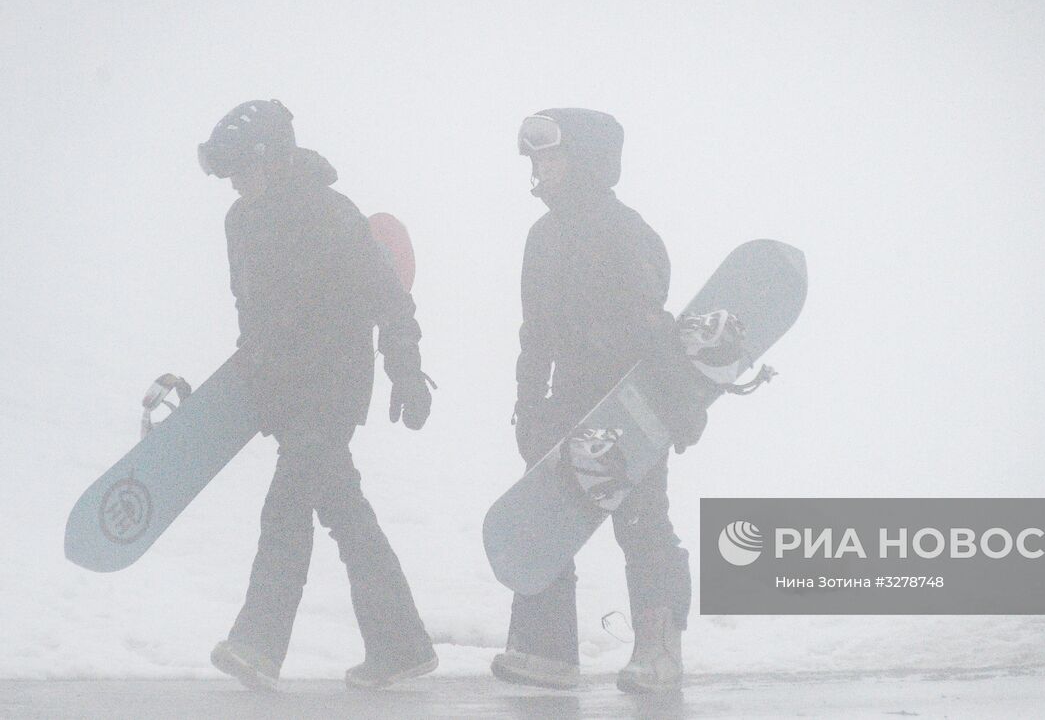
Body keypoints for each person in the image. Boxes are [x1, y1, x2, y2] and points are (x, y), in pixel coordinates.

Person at [196, 99, 437, 691]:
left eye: (244, 168)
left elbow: (390, 297)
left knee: (285, 508)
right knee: (344, 510)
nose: (236, 182)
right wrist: (251, 380)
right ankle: (401, 645)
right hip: (284, 391)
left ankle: (257, 644)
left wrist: (405, 369)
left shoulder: (330, 214)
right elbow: (248, 307)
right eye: (226, 172)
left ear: (274, 159)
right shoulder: (241, 221)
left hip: (330, 386)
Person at [490, 108, 691, 694]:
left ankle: (658, 650)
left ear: (587, 160)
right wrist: (528, 409)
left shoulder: (627, 230)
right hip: (566, 401)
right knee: (543, 518)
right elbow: (535, 334)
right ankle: (546, 652)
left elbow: (652, 325)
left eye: (550, 156)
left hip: (632, 403)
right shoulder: (542, 236)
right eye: (535, 158)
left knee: (642, 523)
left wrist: (672, 407)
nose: (539, 168)